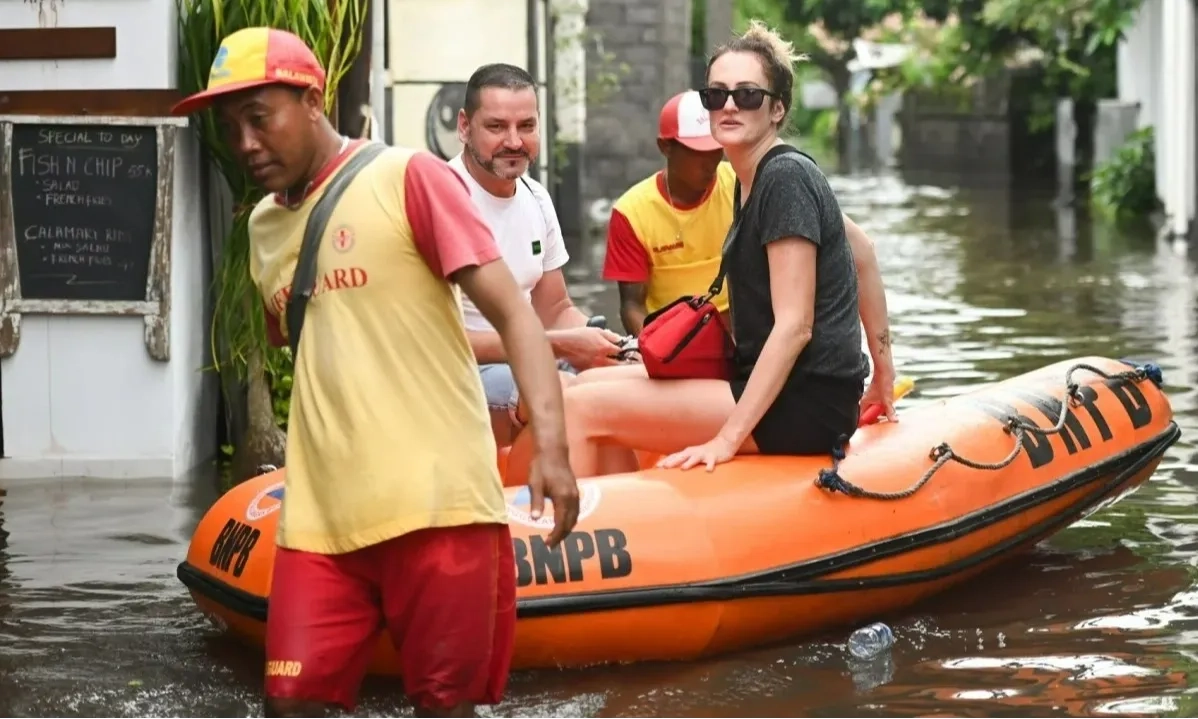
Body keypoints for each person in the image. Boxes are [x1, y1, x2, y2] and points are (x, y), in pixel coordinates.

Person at [170, 27, 579, 719]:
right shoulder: (262, 228)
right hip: (321, 521)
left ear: (312, 100)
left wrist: (555, 451)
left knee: (442, 708)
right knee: (289, 703)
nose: (244, 144)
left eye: (259, 118)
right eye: (230, 126)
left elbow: (518, 315)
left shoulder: (407, 178)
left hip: (440, 509)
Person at [547, 19, 898, 479]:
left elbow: (795, 326)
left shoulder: (784, 178)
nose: (729, 105)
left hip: (802, 403)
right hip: (781, 385)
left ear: (777, 109)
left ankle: (575, 539)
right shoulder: (748, 179)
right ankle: (624, 516)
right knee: (586, 385)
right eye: (716, 95)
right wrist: (882, 373)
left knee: (580, 406)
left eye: (748, 95)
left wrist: (726, 439)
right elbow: (863, 250)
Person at [449, 62, 628, 447]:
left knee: (627, 380)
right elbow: (437, 339)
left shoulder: (536, 197)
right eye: (496, 127)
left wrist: (607, 342)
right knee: (564, 393)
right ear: (465, 126)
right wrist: (560, 345)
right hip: (459, 374)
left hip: (533, 355)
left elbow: (555, 307)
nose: (514, 141)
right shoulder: (440, 199)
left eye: (526, 126)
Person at [602, 90, 734, 335]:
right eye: (697, 151)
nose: (710, 162)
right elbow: (632, 305)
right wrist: (659, 353)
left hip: (740, 335)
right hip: (672, 341)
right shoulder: (632, 213)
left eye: (715, 148)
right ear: (666, 147)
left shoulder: (741, 186)